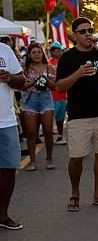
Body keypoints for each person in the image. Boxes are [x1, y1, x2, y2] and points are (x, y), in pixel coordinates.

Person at [55, 17, 98, 212]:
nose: (87, 35)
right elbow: (59, 87)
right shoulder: (67, 57)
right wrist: (78, 74)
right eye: (83, 31)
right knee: (76, 158)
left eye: (90, 30)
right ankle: (75, 193)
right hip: (78, 116)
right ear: (75, 35)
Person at [0, 42, 25, 230]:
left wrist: (9, 78)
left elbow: (21, 80)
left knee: (8, 169)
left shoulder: (5, 50)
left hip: (6, 121)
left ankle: (3, 215)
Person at [20, 42, 56, 171]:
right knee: (31, 134)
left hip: (46, 100)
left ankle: (49, 158)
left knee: (48, 132)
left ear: (42, 53)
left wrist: (46, 80)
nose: (36, 55)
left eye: (39, 52)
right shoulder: (25, 69)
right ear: (29, 54)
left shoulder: (49, 68)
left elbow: (56, 87)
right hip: (30, 101)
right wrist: (34, 82)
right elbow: (21, 87)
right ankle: (32, 161)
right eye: (33, 52)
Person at [48, 41, 67, 145]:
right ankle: (49, 138)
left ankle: (60, 135)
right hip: (51, 96)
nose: (59, 52)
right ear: (52, 51)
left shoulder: (64, 62)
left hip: (63, 95)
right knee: (49, 119)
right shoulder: (48, 63)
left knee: (60, 118)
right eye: (57, 50)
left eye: (60, 50)